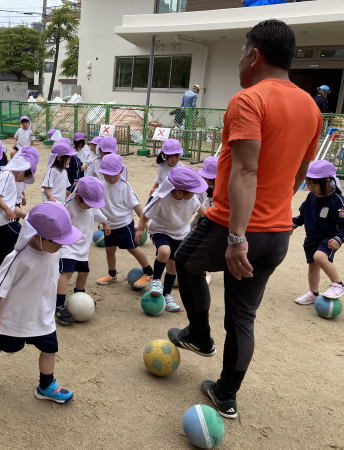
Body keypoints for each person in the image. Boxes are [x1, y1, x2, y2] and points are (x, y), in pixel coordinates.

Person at [167, 19, 323, 419]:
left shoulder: (249, 99)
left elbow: (246, 170)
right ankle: (226, 394)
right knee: (242, 314)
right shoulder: (311, 106)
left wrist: (237, 237)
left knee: (184, 262)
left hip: (233, 225)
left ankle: (200, 337)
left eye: (240, 52)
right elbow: (302, 171)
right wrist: (275, 207)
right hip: (277, 232)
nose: (239, 60)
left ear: (254, 55)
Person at [0, 202, 82, 403]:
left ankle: (46, 385)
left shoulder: (53, 250)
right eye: (57, 241)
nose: (62, 245)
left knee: (50, 348)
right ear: (36, 236)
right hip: (15, 316)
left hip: (42, 314)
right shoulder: (17, 258)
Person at [136, 166, 207, 312]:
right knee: (164, 251)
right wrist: (139, 229)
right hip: (161, 231)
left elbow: (203, 212)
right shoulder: (161, 198)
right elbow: (146, 214)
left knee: (173, 267)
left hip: (181, 235)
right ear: (180, 192)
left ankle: (167, 295)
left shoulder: (191, 198)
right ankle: (156, 280)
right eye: (193, 190)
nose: (196, 193)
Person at [95, 154, 154, 288]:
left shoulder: (124, 186)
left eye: (114, 175)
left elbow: (135, 205)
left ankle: (149, 273)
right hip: (109, 225)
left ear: (121, 171)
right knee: (109, 250)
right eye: (106, 175)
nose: (110, 178)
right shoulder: (101, 185)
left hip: (124, 224)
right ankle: (112, 274)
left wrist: (143, 221)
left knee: (132, 248)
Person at [56, 177, 109, 324]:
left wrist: (105, 224)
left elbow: (97, 213)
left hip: (82, 248)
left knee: (84, 272)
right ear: (78, 196)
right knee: (66, 273)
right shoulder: (68, 206)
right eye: (89, 204)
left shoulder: (90, 204)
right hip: (68, 247)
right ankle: (59, 305)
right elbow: (58, 223)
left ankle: (80, 298)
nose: (91, 206)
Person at [292, 160, 344, 304]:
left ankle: (338, 284)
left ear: (327, 182)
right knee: (313, 265)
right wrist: (293, 224)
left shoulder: (338, 200)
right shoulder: (311, 196)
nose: (309, 188)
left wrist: (339, 238)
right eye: (308, 184)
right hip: (312, 237)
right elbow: (303, 215)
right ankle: (313, 293)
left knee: (320, 257)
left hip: (328, 238)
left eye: (313, 185)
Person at [0, 152, 38, 269]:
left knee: (6, 250)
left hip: (0, 222)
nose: (23, 180)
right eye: (26, 177)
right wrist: (6, 209)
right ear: (22, 170)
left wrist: (23, 214)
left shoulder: (12, 179)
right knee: (28, 237)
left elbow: (9, 203)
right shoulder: (7, 175)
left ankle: (1, 277)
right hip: (1, 221)